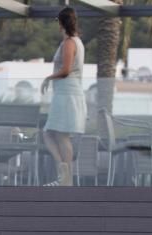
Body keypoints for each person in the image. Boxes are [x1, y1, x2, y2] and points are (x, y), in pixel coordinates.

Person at [41, 6, 86, 186]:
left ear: (61, 23)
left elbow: (66, 70)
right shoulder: (76, 42)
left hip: (67, 93)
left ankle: (65, 176)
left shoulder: (69, 43)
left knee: (56, 135)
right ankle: (65, 176)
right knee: (56, 134)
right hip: (66, 92)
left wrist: (48, 78)